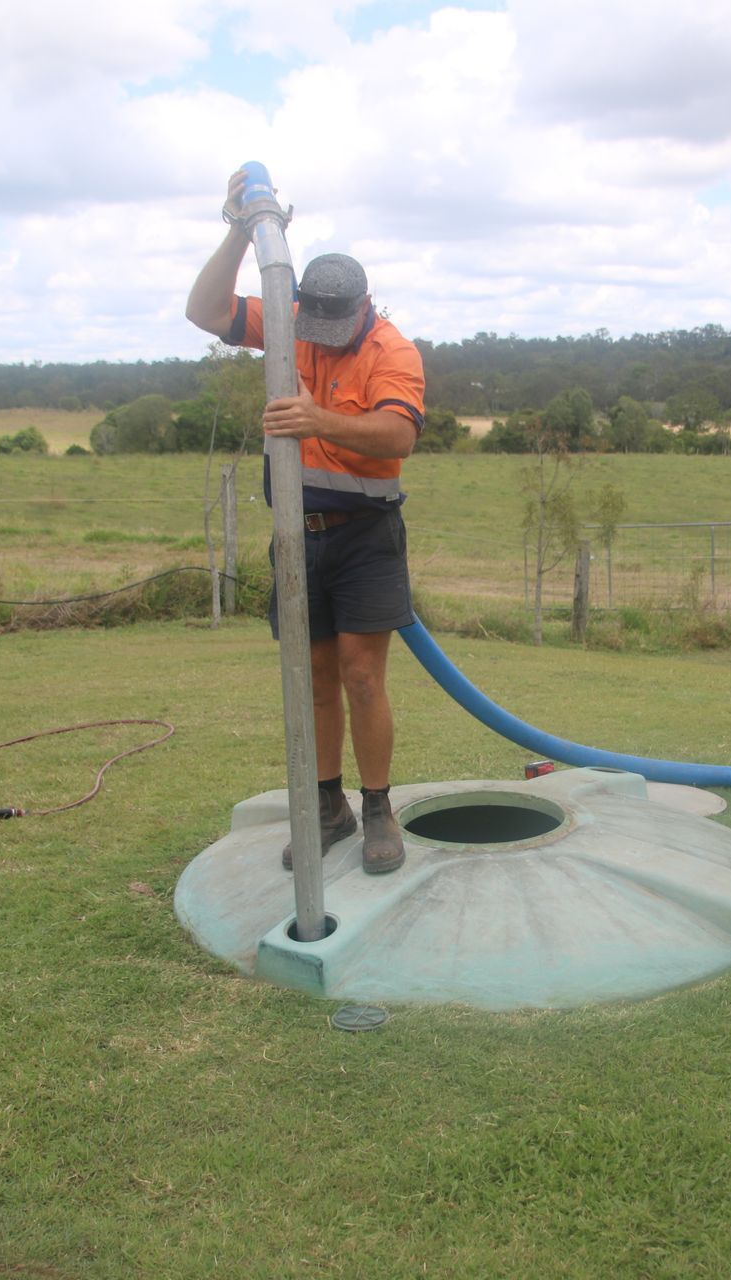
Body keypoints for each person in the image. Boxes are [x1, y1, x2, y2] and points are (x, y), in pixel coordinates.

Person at [185, 167, 425, 875]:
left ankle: (377, 808)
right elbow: (205, 311)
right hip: (297, 535)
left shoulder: (391, 350)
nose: (321, 339)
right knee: (313, 676)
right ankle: (328, 808)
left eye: (335, 327)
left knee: (361, 675)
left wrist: (319, 420)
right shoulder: (293, 322)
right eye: (311, 324)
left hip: (367, 535)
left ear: (365, 306)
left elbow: (398, 435)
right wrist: (239, 229)